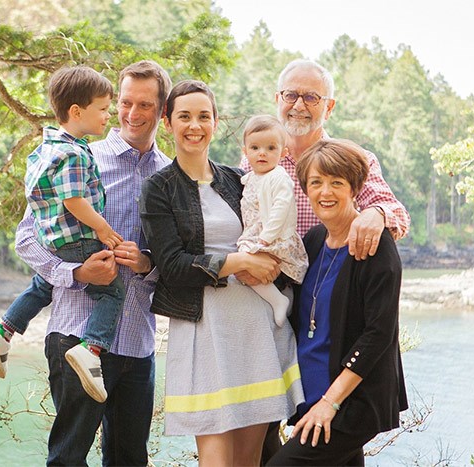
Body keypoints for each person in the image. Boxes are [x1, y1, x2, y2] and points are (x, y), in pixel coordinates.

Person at [14, 60, 172, 466]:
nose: (132, 114)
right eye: (124, 103)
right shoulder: (78, 155)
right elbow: (27, 238)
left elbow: (173, 262)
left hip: (137, 344)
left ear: (163, 110)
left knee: (129, 460)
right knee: (68, 459)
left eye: (146, 106)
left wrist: (146, 265)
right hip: (75, 337)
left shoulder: (172, 177)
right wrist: (76, 273)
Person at [139, 80, 305, 466]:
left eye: (203, 116)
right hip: (203, 329)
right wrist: (241, 262)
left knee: (250, 459)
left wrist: (274, 262)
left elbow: (274, 227)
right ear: (168, 122)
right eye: (184, 116)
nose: (194, 125)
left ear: (215, 122)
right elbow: (173, 265)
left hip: (255, 329)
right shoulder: (158, 188)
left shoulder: (238, 178)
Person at [0, 66, 123, 403]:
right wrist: (102, 228)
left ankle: (3, 332)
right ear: (77, 111)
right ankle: (91, 350)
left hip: (53, 241)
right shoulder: (73, 152)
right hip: (79, 240)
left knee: (42, 285)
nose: (108, 115)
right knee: (112, 293)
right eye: (102, 109)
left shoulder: (46, 148)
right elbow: (73, 200)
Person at [266, 139, 408, 466]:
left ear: (355, 188)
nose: (325, 192)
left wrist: (329, 403)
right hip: (312, 395)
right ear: (305, 189)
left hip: (350, 403)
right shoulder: (314, 240)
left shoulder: (376, 247)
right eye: (316, 182)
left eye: (336, 183)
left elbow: (378, 334)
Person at [239, 59, 410, 261]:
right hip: (270, 275)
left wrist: (376, 213)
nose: (299, 105)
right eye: (291, 95)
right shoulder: (255, 161)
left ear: (329, 107)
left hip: (327, 277)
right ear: (278, 100)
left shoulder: (351, 159)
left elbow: (396, 214)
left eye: (311, 97)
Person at [236, 114, 308, 327]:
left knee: (245, 259)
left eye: (270, 148)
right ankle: (275, 301)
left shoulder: (279, 177)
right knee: (244, 267)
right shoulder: (250, 178)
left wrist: (265, 239)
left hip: (275, 238)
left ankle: (279, 301)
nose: (262, 154)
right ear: (245, 152)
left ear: (283, 153)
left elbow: (280, 211)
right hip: (256, 235)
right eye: (255, 148)